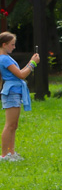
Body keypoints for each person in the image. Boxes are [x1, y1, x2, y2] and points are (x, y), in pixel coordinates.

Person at [0, 32, 39, 162]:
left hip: (15, 91)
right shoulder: (4, 59)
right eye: (12, 44)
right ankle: (4, 155)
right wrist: (32, 63)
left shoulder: (6, 57)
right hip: (11, 92)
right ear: (4, 45)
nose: (14, 47)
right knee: (10, 124)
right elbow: (21, 74)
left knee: (14, 125)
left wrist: (31, 62)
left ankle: (11, 153)